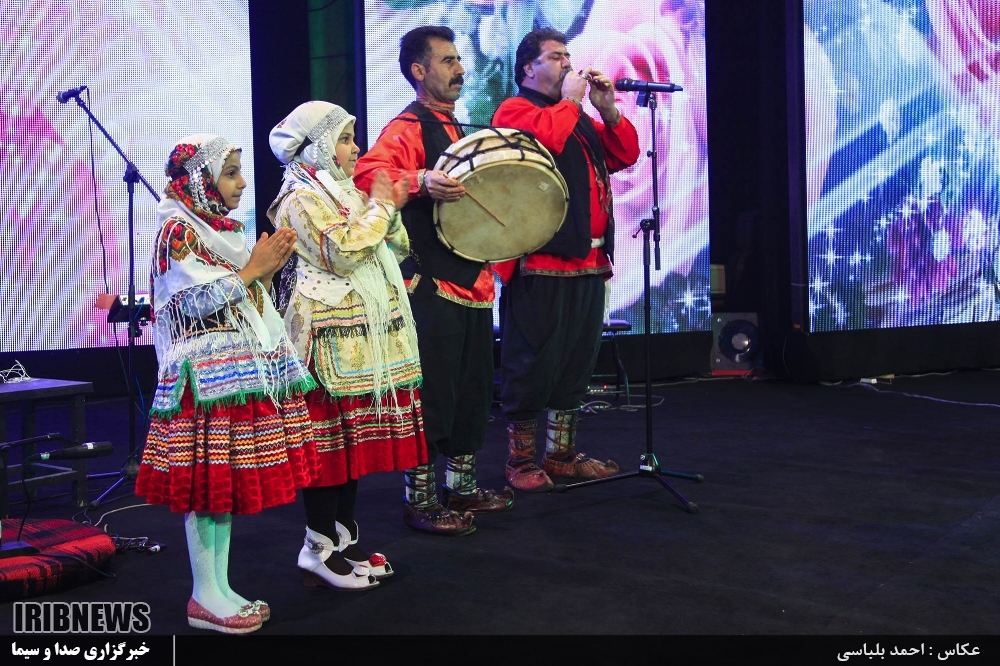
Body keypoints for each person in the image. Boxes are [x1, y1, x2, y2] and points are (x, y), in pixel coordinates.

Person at [135, 134, 318, 633]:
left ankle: (217, 588)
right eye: (230, 173)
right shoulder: (177, 229)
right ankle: (204, 593)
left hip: (227, 376)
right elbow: (191, 302)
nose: (241, 183)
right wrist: (253, 270)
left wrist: (262, 273)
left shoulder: (219, 232)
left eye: (239, 172)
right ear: (201, 179)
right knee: (206, 490)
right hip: (200, 381)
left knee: (220, 487)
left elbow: (239, 294)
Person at [354, 25, 513, 536]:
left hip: (473, 282)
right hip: (432, 285)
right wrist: (420, 179)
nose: (460, 69)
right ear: (419, 71)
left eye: (459, 59)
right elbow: (368, 178)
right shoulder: (407, 127)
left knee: (471, 391)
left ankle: (461, 486)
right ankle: (420, 499)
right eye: (448, 61)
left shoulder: (456, 126)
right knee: (434, 394)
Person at [267, 101, 428, 588]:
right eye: (344, 138)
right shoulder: (299, 198)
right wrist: (381, 207)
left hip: (359, 336)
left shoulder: (342, 191)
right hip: (325, 339)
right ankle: (316, 547)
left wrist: (387, 209)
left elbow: (393, 246)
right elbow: (341, 253)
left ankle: (342, 538)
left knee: (351, 444)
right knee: (328, 447)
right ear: (316, 146)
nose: (356, 148)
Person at [491, 28, 640, 491]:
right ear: (528, 68)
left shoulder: (575, 116)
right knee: (531, 361)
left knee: (577, 361)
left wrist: (608, 110)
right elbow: (545, 143)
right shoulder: (515, 110)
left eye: (567, 55)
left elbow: (625, 154)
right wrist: (573, 102)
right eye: (556, 56)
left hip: (589, 260)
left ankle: (562, 455)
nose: (567, 64)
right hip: (540, 261)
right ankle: (520, 463)